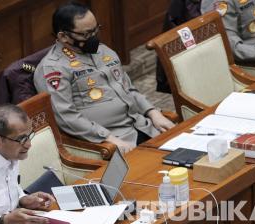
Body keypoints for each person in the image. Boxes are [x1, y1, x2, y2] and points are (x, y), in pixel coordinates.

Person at [33, 1, 175, 154]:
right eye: (86, 34)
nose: (94, 37)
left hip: (143, 126)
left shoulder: (104, 51)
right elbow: (65, 117)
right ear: (63, 36)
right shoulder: (54, 68)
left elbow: (129, 89)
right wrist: (108, 138)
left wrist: (153, 112)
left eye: (96, 30)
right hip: (113, 141)